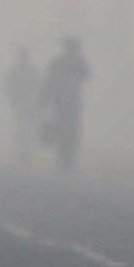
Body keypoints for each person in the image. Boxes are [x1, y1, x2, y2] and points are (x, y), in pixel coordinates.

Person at [42, 36, 91, 172]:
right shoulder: (61, 62)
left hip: (68, 101)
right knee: (67, 129)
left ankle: (67, 157)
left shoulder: (68, 62)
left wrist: (46, 99)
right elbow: (50, 81)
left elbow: (87, 74)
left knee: (69, 129)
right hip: (65, 101)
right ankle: (66, 157)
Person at [2, 47, 42, 161]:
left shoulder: (18, 70)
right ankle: (25, 150)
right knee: (25, 126)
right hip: (24, 103)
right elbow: (10, 87)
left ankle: (25, 150)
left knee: (24, 126)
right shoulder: (29, 70)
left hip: (26, 103)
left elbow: (10, 87)